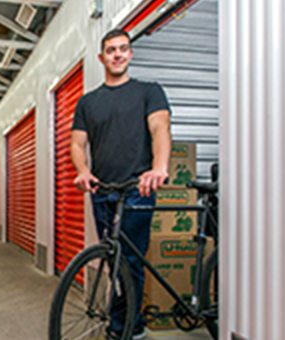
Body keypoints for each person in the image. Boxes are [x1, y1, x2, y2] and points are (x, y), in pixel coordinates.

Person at [70, 28, 171, 340]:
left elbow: (160, 129)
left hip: (137, 189)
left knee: (129, 261)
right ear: (102, 58)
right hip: (102, 191)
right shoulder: (88, 102)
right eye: (111, 50)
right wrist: (83, 170)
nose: (117, 54)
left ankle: (126, 329)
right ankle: (129, 322)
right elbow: (77, 144)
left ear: (130, 54)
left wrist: (159, 168)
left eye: (123, 49)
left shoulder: (149, 91)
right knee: (114, 261)